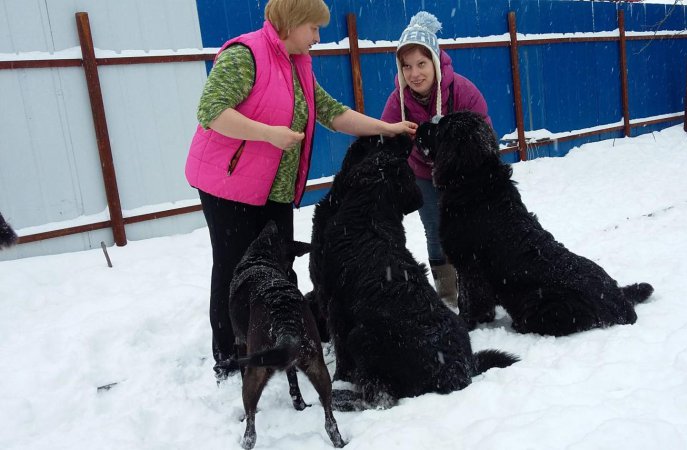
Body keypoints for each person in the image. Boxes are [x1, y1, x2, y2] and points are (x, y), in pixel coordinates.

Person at [185, 0, 417, 382]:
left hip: (273, 188)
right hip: (227, 185)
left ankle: (280, 342)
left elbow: (333, 113)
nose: (317, 37)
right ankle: (228, 355)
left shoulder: (299, 66)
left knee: (279, 266)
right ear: (292, 24)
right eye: (313, 28)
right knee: (234, 269)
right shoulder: (246, 56)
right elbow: (211, 111)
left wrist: (386, 128)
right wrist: (268, 134)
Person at [380, 11, 492, 307]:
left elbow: (484, 136)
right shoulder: (397, 101)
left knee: (471, 226)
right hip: (421, 172)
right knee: (435, 228)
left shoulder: (463, 91)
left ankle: (480, 288)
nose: (414, 74)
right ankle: (448, 295)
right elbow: (386, 143)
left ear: (435, 61)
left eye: (421, 64)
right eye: (407, 67)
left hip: (461, 176)